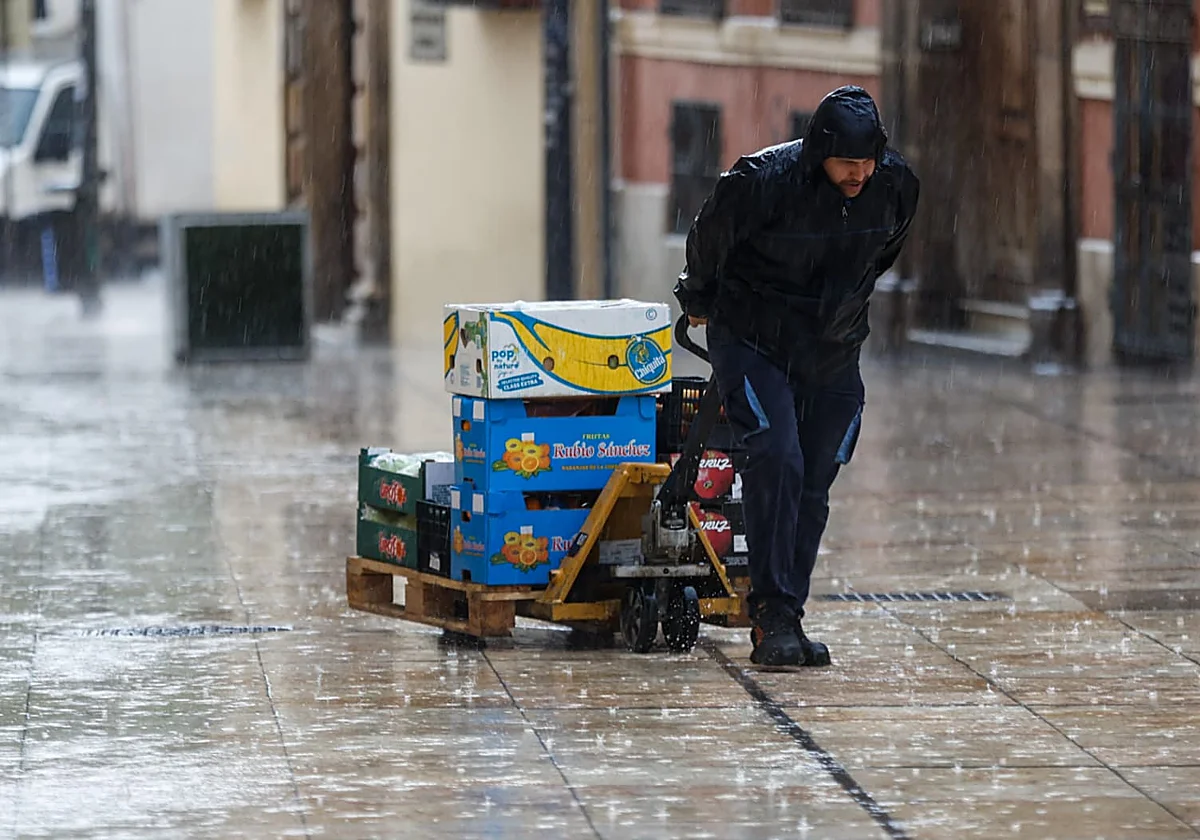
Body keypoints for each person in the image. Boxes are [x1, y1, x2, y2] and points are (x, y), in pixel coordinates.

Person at [674, 85, 920, 668]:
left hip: (833, 350)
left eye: (868, 162)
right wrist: (700, 299)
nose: (859, 174)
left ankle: (789, 613)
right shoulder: (762, 181)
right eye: (847, 163)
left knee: (814, 479)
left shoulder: (896, 187)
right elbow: (709, 241)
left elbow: (882, 255)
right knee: (777, 458)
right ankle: (771, 616)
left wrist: (835, 310)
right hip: (753, 339)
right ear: (819, 154)